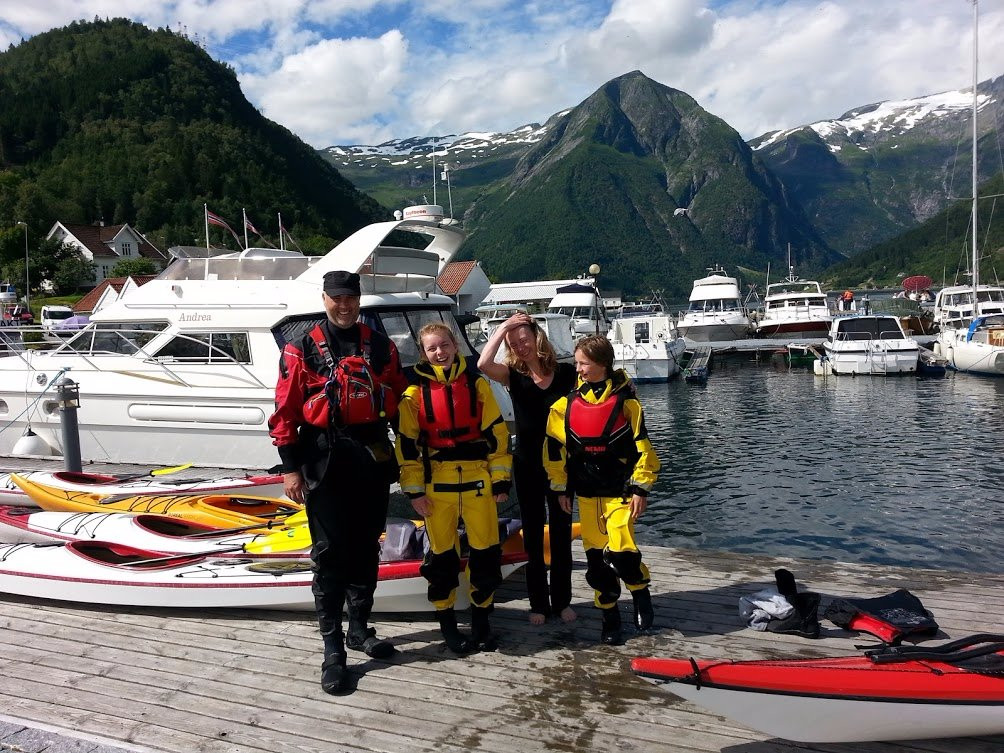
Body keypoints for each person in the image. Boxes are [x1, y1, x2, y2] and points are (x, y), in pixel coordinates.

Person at [268, 270, 408, 695]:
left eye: (351, 297)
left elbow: (400, 401)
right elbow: (284, 412)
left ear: (359, 298)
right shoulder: (301, 349)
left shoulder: (381, 346)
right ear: (324, 298)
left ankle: (359, 629)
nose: (344, 305)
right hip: (322, 463)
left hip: (371, 460)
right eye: (336, 298)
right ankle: (333, 651)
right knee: (329, 554)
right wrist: (290, 468)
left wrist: (412, 459)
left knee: (367, 547)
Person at [395, 323, 512, 653]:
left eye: (444, 345)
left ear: (455, 346)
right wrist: (415, 493)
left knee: (486, 555)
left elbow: (497, 437)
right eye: (432, 348)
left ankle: (482, 623)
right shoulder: (413, 394)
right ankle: (447, 623)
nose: (439, 352)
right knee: (442, 560)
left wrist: (501, 479)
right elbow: (407, 448)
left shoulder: (476, 385)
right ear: (423, 353)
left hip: (478, 483)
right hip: (437, 489)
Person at [543, 334, 659, 646]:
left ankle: (640, 591)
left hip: (620, 490)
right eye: (577, 363)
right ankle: (609, 617)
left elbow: (644, 450)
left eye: (583, 363)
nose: (578, 369)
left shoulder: (628, 404)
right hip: (586, 493)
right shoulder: (563, 406)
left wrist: (641, 489)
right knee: (596, 563)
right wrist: (561, 489)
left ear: (603, 364)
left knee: (621, 552)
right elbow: (555, 453)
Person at [478, 313, 577, 626]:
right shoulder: (512, 375)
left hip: (561, 467)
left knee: (561, 535)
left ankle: (562, 601)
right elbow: (482, 364)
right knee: (533, 535)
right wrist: (504, 327)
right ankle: (538, 603)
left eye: (524, 339)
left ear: (537, 337)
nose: (520, 346)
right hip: (527, 466)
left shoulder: (566, 373)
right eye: (514, 342)